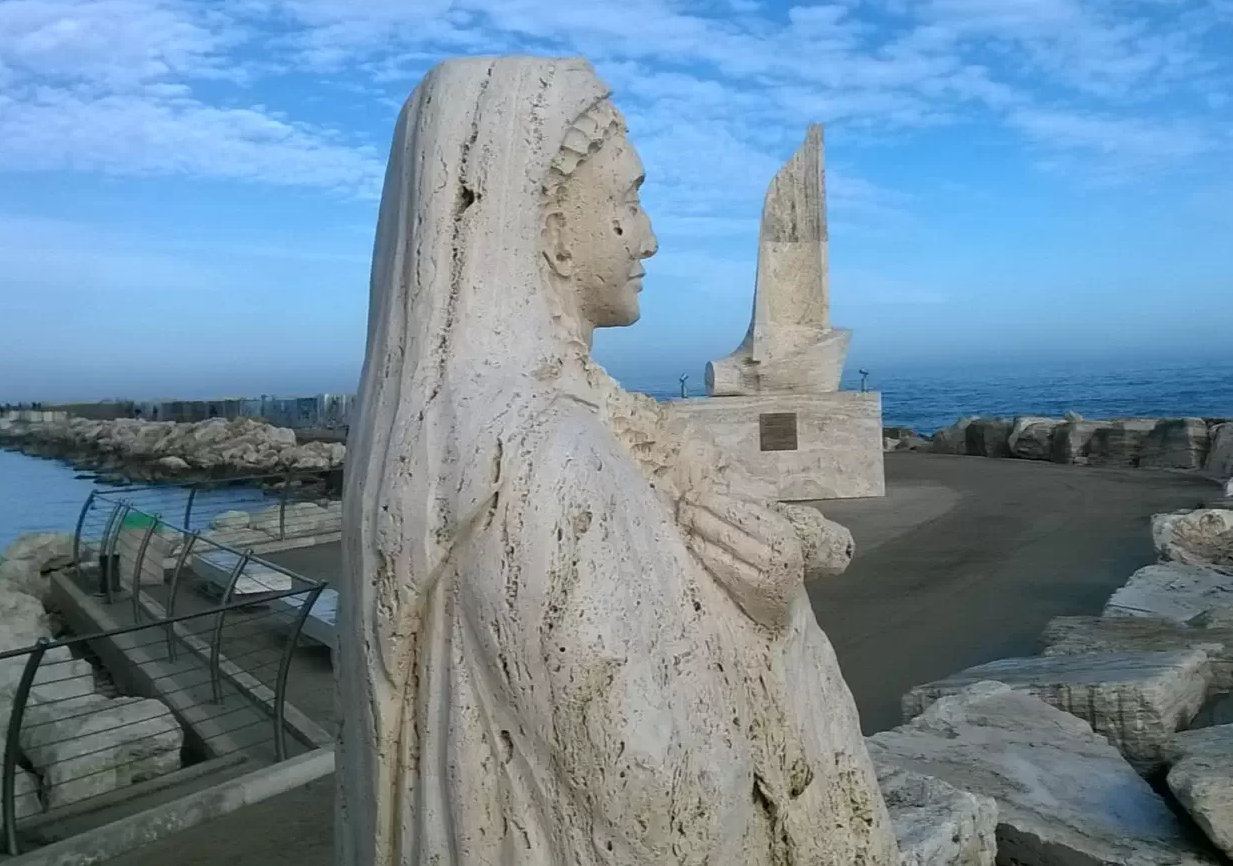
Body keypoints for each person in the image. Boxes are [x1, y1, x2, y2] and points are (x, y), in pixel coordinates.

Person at [339, 57, 897, 866]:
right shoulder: (541, 458)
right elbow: (676, 807)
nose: (649, 236)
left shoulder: (509, 427)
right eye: (628, 201)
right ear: (551, 229)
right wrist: (768, 625)